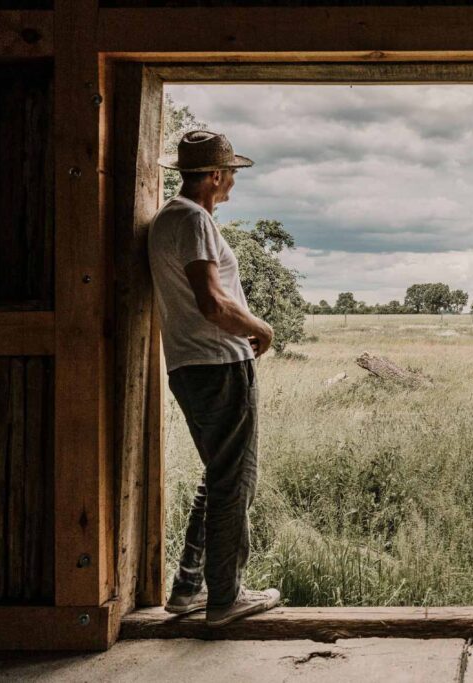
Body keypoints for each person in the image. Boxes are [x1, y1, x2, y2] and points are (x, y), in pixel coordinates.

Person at [149, 130, 281, 627]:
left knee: (217, 475)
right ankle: (227, 597)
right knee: (235, 481)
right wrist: (261, 328)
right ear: (216, 176)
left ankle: (188, 587)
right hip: (219, 364)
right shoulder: (195, 219)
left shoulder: (167, 218)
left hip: (189, 365)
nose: (232, 185)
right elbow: (213, 302)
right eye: (231, 175)